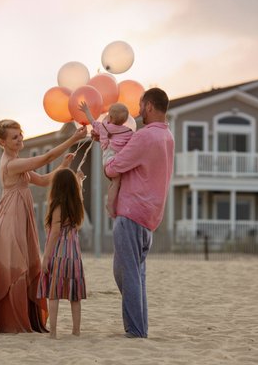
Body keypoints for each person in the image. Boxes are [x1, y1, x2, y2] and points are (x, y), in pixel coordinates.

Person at [0, 119, 86, 335]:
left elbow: (45, 180)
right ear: (2, 141)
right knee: (16, 264)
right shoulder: (11, 164)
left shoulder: (17, 162)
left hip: (20, 214)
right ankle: (9, 319)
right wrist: (73, 139)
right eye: (14, 137)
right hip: (11, 217)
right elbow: (46, 157)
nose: (19, 139)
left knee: (24, 263)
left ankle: (19, 316)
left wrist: (64, 166)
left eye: (20, 135)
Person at [104, 87, 174, 338]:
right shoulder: (168, 136)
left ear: (150, 107)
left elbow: (114, 168)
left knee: (129, 273)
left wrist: (108, 154)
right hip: (150, 214)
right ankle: (139, 327)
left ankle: (135, 331)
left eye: (141, 105)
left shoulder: (145, 137)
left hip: (133, 211)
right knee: (133, 273)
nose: (138, 110)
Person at [37, 168, 87, 339]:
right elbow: (79, 196)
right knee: (75, 295)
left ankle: (53, 332)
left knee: (54, 293)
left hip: (59, 253)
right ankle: (76, 331)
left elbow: (55, 232)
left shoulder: (57, 205)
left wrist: (46, 257)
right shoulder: (76, 205)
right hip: (74, 255)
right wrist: (79, 182)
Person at [79, 101, 133, 217]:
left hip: (107, 160)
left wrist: (86, 110)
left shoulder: (104, 127)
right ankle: (110, 205)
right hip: (115, 162)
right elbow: (134, 143)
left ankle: (112, 204)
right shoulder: (128, 132)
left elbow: (93, 122)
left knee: (115, 183)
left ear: (111, 118)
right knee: (116, 182)